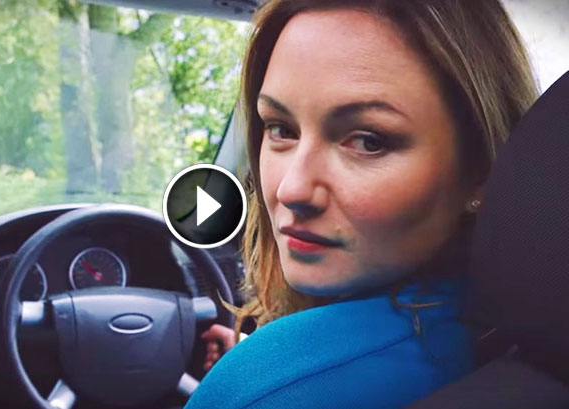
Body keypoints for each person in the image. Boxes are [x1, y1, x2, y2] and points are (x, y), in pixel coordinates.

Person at [188, 0, 539, 407]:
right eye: (281, 129)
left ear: (482, 169)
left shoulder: (267, 387)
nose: (291, 190)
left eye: (368, 141)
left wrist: (247, 380)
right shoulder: (513, 342)